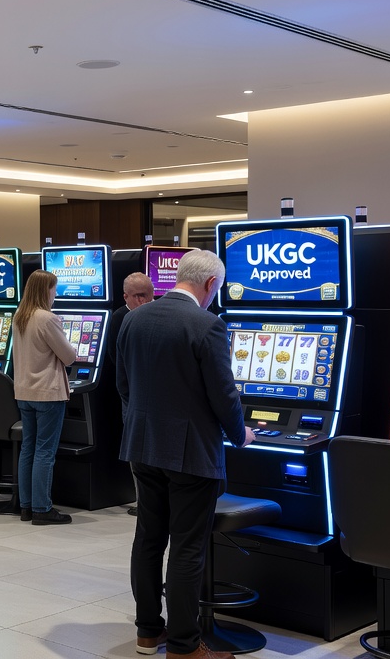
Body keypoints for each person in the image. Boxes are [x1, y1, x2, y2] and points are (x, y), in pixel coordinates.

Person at [116, 249, 255, 659]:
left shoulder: (133, 318)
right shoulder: (207, 324)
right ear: (211, 284)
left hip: (142, 445)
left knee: (148, 539)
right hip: (191, 452)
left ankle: (147, 632)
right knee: (187, 548)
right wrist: (240, 434)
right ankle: (184, 646)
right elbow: (223, 394)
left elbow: (124, 384)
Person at [11, 270, 78, 524]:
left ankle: (26, 506)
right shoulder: (47, 318)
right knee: (44, 452)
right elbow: (69, 356)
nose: (56, 293)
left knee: (28, 448)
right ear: (44, 290)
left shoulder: (20, 315)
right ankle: (42, 508)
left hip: (24, 391)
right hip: (47, 392)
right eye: (54, 288)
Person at [98, 271, 156, 516]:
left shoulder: (162, 314)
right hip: (131, 394)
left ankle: (156, 500)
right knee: (136, 450)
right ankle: (143, 500)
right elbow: (115, 359)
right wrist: (127, 395)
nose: (141, 301)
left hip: (159, 394)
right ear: (125, 297)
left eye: (145, 295)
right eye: (136, 296)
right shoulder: (120, 317)